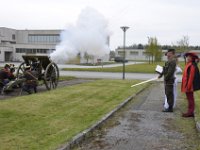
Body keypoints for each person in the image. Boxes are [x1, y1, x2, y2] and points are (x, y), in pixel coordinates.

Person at [181, 52, 200, 117]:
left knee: (190, 99)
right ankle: (190, 111)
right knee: (189, 98)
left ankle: (190, 112)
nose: (187, 58)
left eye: (189, 57)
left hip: (189, 86)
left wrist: (188, 87)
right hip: (187, 85)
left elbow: (191, 77)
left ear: (192, 58)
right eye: (187, 57)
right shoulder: (189, 64)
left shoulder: (192, 65)